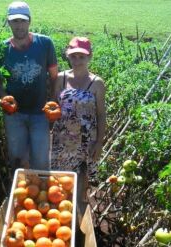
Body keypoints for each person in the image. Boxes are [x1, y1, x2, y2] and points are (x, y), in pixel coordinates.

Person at [0, 1, 58, 171]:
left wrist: (52, 103)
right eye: (15, 21)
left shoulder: (45, 44)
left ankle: (40, 194)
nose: (19, 25)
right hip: (15, 115)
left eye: (22, 21)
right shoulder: (0, 50)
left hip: (40, 113)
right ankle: (20, 193)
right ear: (8, 22)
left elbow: (54, 77)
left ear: (29, 21)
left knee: (41, 161)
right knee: (17, 159)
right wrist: (5, 98)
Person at [50, 37, 106, 233]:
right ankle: (58, 222)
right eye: (73, 56)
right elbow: (53, 106)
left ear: (89, 56)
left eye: (81, 56)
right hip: (62, 140)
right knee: (59, 182)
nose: (77, 60)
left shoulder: (97, 83)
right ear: (68, 57)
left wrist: (99, 142)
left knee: (81, 182)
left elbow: (100, 114)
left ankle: (74, 224)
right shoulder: (61, 79)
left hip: (86, 142)